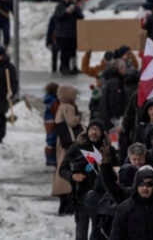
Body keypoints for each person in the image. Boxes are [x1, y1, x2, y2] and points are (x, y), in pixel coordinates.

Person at [61, 118, 107, 240]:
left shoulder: (107, 150)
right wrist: (72, 176)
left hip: (102, 198)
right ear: (87, 131)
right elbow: (62, 170)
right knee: (81, 233)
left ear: (102, 133)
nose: (94, 132)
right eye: (92, 129)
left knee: (99, 232)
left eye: (97, 129)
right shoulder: (76, 148)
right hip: (81, 197)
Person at [110, 166, 153, 240]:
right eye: (141, 184)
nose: (145, 188)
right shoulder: (124, 209)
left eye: (149, 184)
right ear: (136, 185)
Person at [53, 84, 82, 214]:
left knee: (61, 165)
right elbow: (72, 122)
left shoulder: (60, 106)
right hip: (69, 143)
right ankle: (68, 200)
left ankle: (62, 200)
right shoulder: (69, 107)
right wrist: (78, 118)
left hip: (61, 142)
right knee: (69, 165)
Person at [53, 0, 83, 74]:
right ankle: (64, 67)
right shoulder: (60, 6)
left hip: (72, 33)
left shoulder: (74, 5)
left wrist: (75, 10)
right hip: (63, 34)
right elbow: (57, 17)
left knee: (73, 51)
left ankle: (74, 66)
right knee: (64, 52)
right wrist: (66, 12)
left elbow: (81, 16)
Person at [43, 82, 60, 167]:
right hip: (53, 122)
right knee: (53, 140)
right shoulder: (54, 101)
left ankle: (49, 158)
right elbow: (57, 112)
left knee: (50, 139)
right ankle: (51, 158)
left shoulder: (48, 99)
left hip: (48, 122)